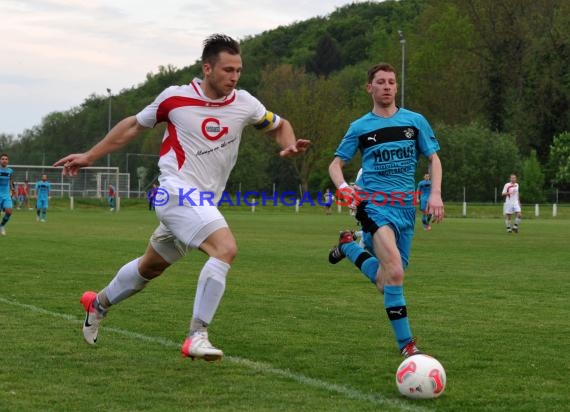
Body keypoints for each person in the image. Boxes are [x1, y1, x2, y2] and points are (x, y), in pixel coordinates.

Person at [53, 34, 310, 361]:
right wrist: (91, 155)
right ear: (207, 68)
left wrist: (285, 144)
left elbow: (279, 124)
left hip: (202, 204)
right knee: (225, 248)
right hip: (173, 191)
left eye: (239, 70)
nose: (234, 77)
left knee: (150, 267)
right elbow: (133, 126)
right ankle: (197, 334)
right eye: (228, 70)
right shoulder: (174, 98)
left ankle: (98, 303)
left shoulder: (245, 103)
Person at [327, 62, 444, 358]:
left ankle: (349, 247)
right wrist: (343, 188)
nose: (388, 86)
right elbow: (335, 164)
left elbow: (433, 158)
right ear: (370, 88)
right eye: (381, 82)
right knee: (394, 271)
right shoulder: (360, 127)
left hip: (406, 210)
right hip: (374, 207)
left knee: (386, 280)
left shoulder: (415, 121)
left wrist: (436, 194)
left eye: (392, 81)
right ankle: (407, 346)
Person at [0, 153, 15, 236]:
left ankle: (2, 225)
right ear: (0, 160)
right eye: (2, 159)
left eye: (6, 159)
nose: (4, 160)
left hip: (6, 194)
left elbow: (11, 180)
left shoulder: (10, 171)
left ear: (8, 161)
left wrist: (13, 188)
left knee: (9, 211)